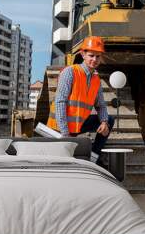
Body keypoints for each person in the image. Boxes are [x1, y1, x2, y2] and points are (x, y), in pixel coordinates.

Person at [47, 36, 114, 164]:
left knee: (109, 119)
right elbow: (60, 102)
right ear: (83, 54)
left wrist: (104, 122)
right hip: (60, 128)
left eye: (98, 56)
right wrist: (65, 135)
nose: (94, 59)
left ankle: (94, 157)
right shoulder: (70, 72)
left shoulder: (96, 79)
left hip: (78, 124)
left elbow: (101, 106)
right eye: (91, 55)